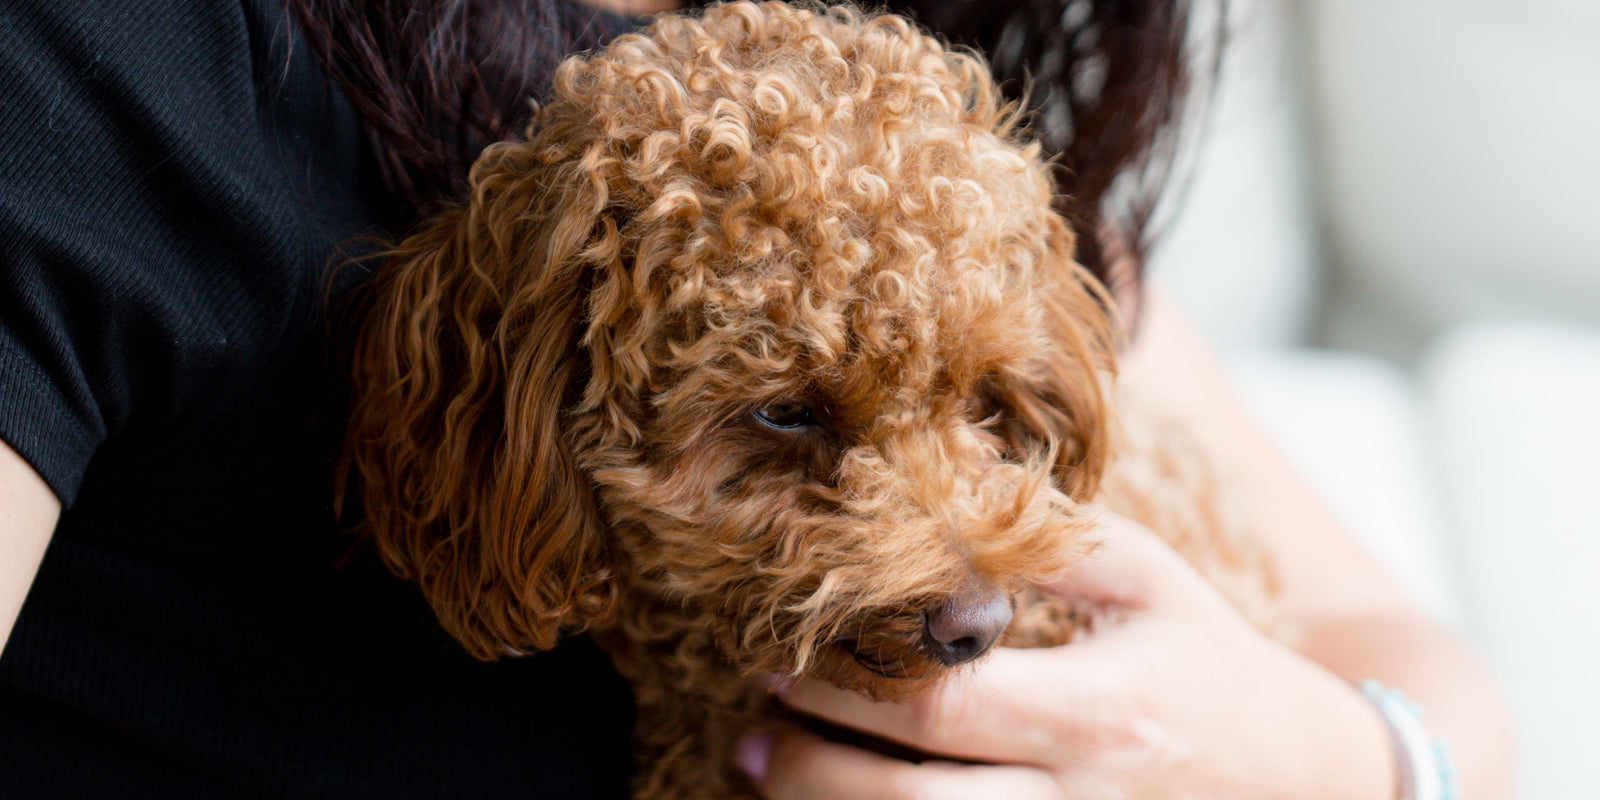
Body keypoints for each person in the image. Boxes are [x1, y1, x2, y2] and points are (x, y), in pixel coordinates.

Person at [0, 0, 1513, 798]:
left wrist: (1340, 764)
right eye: (791, 420)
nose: (963, 576)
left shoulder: (924, 128)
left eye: (994, 411)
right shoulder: (109, 77)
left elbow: (1409, 669)